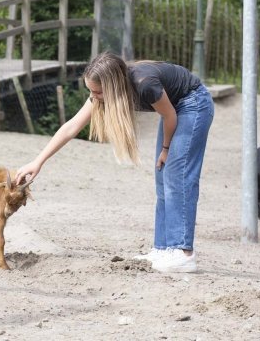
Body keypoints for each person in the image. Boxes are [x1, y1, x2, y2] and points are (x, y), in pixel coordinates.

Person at [15, 51, 214, 273]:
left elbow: (170, 116)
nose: (94, 97)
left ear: (112, 86)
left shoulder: (144, 83)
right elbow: (72, 127)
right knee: (162, 178)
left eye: (97, 92)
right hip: (175, 110)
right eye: (90, 91)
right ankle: (163, 248)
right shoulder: (102, 91)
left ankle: (182, 253)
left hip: (193, 104)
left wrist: (166, 149)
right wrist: (38, 161)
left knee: (177, 175)